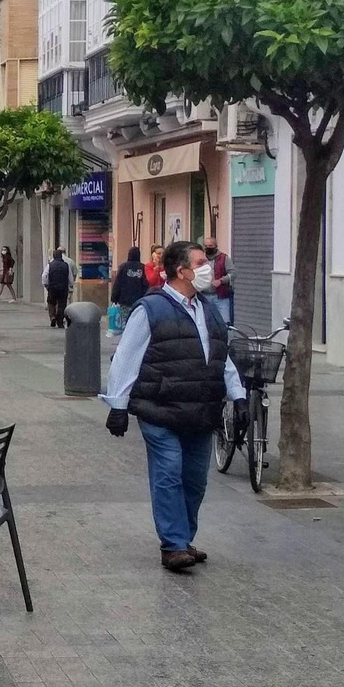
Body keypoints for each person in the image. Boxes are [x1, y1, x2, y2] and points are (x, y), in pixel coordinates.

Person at [101, 241, 247, 572]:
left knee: (195, 479)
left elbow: (221, 358)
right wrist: (118, 405)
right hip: (159, 408)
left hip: (200, 410)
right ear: (181, 271)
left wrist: (237, 396)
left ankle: (183, 538)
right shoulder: (150, 308)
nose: (206, 267)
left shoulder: (208, 309)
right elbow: (127, 357)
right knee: (168, 473)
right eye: (199, 263)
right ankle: (173, 545)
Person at [198, 237, 234, 326]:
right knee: (206, 321)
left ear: (216, 246)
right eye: (206, 245)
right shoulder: (201, 259)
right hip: (204, 295)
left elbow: (233, 273)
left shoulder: (224, 258)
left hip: (221, 296)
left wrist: (221, 281)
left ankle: (227, 339)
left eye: (210, 245)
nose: (208, 247)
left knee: (225, 322)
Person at [42, 248, 72, 328]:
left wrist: (46, 284)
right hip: (63, 288)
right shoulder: (66, 265)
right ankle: (60, 321)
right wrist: (70, 285)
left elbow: (44, 276)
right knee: (62, 304)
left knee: (51, 302)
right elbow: (70, 278)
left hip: (52, 287)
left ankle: (52, 317)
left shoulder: (50, 265)